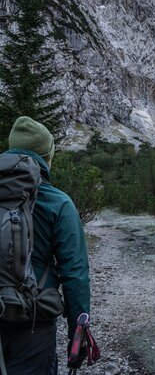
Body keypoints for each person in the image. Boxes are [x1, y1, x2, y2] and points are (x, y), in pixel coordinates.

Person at [0, 116, 91, 374]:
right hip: (33, 325)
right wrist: (78, 335)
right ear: (46, 157)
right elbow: (75, 275)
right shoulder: (59, 203)